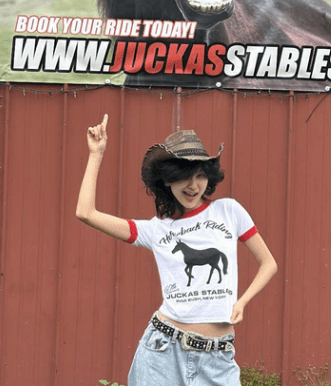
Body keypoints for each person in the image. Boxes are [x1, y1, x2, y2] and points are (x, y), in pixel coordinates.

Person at [76, 114, 278, 386]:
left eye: (200, 176)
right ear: (168, 181)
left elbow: (268, 263)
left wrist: (242, 302)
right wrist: (95, 154)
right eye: (183, 177)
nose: (193, 186)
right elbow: (86, 213)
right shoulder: (156, 230)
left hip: (217, 359)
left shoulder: (229, 211)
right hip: (162, 350)